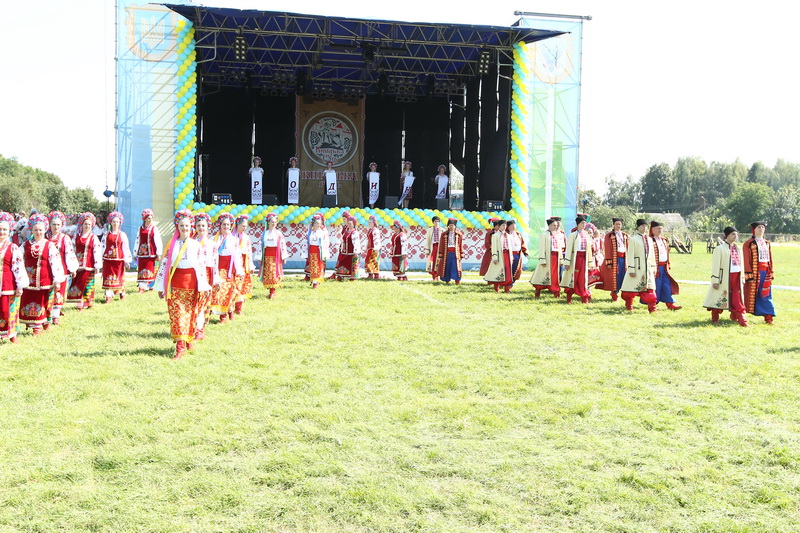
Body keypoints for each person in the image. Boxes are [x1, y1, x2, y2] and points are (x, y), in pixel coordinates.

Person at [155, 209, 211, 360]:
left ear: (191, 226)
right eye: (181, 225)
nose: (184, 228)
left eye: (187, 225)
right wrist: (161, 286)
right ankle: (180, 347)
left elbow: (201, 266)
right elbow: (165, 265)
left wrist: (204, 286)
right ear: (177, 227)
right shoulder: (172, 244)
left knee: (190, 313)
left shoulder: (195, 245)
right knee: (177, 315)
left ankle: (188, 339)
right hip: (175, 284)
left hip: (191, 284)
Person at [19, 214, 65, 335]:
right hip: (29, 281)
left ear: (45, 230)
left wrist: (57, 280)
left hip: (45, 280)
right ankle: (36, 326)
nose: (38, 232)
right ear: (31, 231)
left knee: (44, 301)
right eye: (36, 230)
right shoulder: (25, 245)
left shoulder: (49, 245)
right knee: (30, 301)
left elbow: (55, 263)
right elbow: (18, 259)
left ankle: (44, 323)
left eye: (40, 230)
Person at [704, 226, 749, 327]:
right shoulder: (719, 249)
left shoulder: (738, 249)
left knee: (737, 298)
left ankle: (741, 319)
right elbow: (716, 265)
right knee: (720, 297)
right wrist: (715, 280)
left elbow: (741, 264)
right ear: (726, 235)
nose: (735, 236)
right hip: (724, 278)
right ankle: (715, 317)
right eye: (733, 234)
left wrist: (742, 277)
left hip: (737, 276)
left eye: (736, 234)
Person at [0, 212, 29, 343]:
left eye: (4, 229)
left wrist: (20, 285)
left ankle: (12, 334)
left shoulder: (13, 248)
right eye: (0, 229)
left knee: (9, 309)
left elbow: (18, 267)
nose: (2, 232)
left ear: (9, 231)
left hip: (8, 284)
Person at [46, 211, 78, 325]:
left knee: (59, 291)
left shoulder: (65, 238)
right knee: (48, 291)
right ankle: (47, 313)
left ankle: (56, 315)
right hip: (47, 269)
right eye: (54, 224)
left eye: (58, 225)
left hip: (62, 269)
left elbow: (69, 253)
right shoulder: (45, 237)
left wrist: (72, 268)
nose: (56, 227)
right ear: (50, 225)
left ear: (61, 226)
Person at [619, 219, 658, 313]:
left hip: (647, 269)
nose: (644, 228)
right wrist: (631, 269)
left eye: (646, 226)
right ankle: (629, 306)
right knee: (631, 289)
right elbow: (630, 255)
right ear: (638, 227)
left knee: (650, 289)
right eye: (642, 226)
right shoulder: (633, 240)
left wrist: (653, 267)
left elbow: (652, 255)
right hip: (637, 268)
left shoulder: (650, 240)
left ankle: (652, 309)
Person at [211, 213, 243, 322]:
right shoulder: (214, 239)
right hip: (218, 269)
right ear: (220, 225)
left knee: (230, 291)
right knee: (221, 291)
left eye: (228, 224)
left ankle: (230, 310)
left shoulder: (234, 240)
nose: (226, 227)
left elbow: (237, 256)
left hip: (229, 269)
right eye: (224, 224)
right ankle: (223, 315)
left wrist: (239, 271)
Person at [67, 212, 104, 311]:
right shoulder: (76, 237)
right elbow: (72, 250)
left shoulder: (93, 237)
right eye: (85, 224)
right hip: (77, 265)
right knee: (78, 283)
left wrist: (97, 265)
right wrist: (71, 263)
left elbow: (97, 251)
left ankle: (88, 301)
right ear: (82, 225)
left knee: (88, 284)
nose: (87, 226)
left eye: (89, 224)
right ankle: (79, 302)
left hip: (89, 265)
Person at [192, 213, 219, 340]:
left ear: (208, 227)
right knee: (194, 301)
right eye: (199, 225)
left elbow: (215, 262)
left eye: (203, 225)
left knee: (203, 302)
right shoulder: (191, 242)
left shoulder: (212, 244)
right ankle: (192, 327)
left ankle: (200, 329)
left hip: (207, 275)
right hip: (193, 275)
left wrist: (216, 279)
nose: (201, 228)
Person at [743, 221, 776, 324]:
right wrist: (748, 273)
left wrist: (771, 271)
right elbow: (746, 258)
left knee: (766, 293)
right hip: (754, 272)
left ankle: (769, 316)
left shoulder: (767, 243)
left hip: (766, 272)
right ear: (753, 230)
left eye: (763, 227)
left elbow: (770, 258)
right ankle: (738, 314)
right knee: (751, 293)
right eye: (758, 227)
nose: (761, 229)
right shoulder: (749, 243)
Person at [560, 215, 595, 304]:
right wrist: (567, 262)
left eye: (585, 223)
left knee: (583, 278)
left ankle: (584, 297)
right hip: (575, 259)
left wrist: (590, 263)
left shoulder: (587, 235)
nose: (584, 225)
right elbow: (569, 249)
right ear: (578, 224)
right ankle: (569, 297)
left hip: (584, 258)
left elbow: (589, 250)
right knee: (573, 276)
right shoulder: (573, 235)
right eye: (582, 223)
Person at [101, 211, 132, 303]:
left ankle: (121, 292)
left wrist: (127, 260)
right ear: (111, 222)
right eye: (114, 222)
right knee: (107, 277)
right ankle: (108, 296)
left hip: (118, 260)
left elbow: (125, 247)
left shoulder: (122, 235)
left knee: (119, 276)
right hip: (108, 260)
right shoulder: (106, 234)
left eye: (117, 222)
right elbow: (102, 246)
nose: (115, 223)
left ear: (119, 223)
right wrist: (100, 257)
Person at [650, 221, 681, 311]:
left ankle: (670, 304)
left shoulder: (664, 240)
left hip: (664, 267)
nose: (660, 230)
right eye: (658, 229)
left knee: (666, 285)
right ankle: (652, 304)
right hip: (655, 267)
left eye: (661, 229)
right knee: (656, 285)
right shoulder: (650, 240)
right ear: (652, 229)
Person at [598, 217, 629, 301]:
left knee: (624, 276)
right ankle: (614, 294)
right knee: (615, 277)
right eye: (616, 224)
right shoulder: (609, 235)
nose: (618, 226)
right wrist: (609, 261)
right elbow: (607, 248)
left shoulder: (625, 235)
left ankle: (624, 294)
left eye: (619, 224)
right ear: (613, 225)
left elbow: (627, 247)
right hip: (615, 259)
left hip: (624, 259)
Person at [530, 219, 561, 299]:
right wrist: (542, 259)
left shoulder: (557, 235)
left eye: (556, 225)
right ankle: (538, 291)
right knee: (543, 274)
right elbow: (541, 248)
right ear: (549, 225)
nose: (555, 227)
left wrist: (561, 259)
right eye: (554, 225)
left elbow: (559, 248)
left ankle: (556, 292)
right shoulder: (544, 235)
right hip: (548, 257)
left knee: (555, 276)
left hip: (556, 257)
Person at [133, 209, 163, 293]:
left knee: (151, 269)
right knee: (141, 269)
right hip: (142, 252)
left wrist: (158, 253)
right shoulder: (140, 229)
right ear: (144, 219)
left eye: (151, 218)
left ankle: (151, 285)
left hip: (151, 253)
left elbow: (158, 240)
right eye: (148, 218)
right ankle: (141, 287)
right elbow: (137, 240)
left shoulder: (154, 228)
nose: (150, 220)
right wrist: (135, 253)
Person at [260, 212, 287, 298]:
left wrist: (284, 256)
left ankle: (273, 291)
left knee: (274, 272)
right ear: (268, 222)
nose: (273, 224)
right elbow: (260, 245)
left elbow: (282, 245)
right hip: (267, 255)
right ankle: (271, 289)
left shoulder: (279, 233)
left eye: (275, 222)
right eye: (272, 222)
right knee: (269, 273)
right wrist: (260, 257)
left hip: (276, 255)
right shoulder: (264, 233)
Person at [233, 214, 255, 315]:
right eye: (243, 226)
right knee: (234, 284)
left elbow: (249, 252)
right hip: (233, 263)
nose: (244, 228)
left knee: (241, 284)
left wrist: (250, 265)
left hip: (243, 262)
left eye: (246, 226)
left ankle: (238, 308)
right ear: (237, 225)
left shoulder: (246, 237)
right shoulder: (231, 236)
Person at [485, 219, 513, 292]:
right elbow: (494, 247)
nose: (504, 227)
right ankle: (496, 287)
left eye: (505, 225)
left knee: (507, 271)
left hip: (507, 255)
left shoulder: (508, 235)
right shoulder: (495, 236)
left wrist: (511, 256)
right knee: (498, 271)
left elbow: (510, 247)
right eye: (503, 225)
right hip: (500, 255)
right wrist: (494, 257)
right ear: (499, 226)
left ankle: (507, 288)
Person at [436, 218, 464, 285]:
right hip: (447, 253)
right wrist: (441, 254)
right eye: (450, 225)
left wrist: (461, 253)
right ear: (448, 226)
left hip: (455, 253)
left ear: (455, 226)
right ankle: (447, 280)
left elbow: (460, 244)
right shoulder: (444, 234)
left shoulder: (459, 234)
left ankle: (457, 280)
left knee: (456, 267)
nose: (451, 227)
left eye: (452, 225)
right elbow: (441, 245)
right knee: (447, 266)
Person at [305, 214, 330, 288]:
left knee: (318, 266)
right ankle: (313, 280)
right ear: (313, 224)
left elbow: (326, 243)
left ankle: (316, 281)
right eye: (317, 223)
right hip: (312, 251)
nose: (318, 225)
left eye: (319, 223)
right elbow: (306, 243)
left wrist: (324, 252)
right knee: (313, 266)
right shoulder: (310, 233)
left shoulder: (322, 233)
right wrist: (305, 254)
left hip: (319, 251)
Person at [335, 216, 362, 281]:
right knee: (341, 262)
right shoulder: (346, 231)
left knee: (351, 265)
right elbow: (342, 240)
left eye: (350, 224)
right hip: (344, 251)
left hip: (351, 252)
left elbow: (356, 243)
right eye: (348, 223)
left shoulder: (354, 232)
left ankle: (352, 277)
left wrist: (356, 252)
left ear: (353, 224)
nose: (349, 225)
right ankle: (340, 275)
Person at [506, 219, 527, 286]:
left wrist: (525, 251)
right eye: (512, 225)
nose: (513, 227)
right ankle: (507, 282)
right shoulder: (506, 234)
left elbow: (522, 243)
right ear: (508, 226)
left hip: (517, 254)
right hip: (509, 254)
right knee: (509, 268)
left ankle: (512, 281)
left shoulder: (518, 234)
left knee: (516, 269)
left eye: (514, 225)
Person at [364, 215, 382, 280]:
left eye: (370, 222)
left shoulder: (375, 230)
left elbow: (376, 240)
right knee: (368, 261)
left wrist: (376, 249)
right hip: (370, 248)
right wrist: (366, 247)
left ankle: (376, 275)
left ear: (374, 223)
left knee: (374, 261)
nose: (369, 223)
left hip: (374, 248)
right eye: (368, 222)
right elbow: (368, 240)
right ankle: (370, 274)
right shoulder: (370, 230)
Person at [425, 216, 443, 281]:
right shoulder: (430, 230)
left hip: (440, 248)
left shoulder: (442, 230)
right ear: (433, 222)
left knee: (439, 261)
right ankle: (434, 275)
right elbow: (428, 241)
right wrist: (427, 250)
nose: (436, 223)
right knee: (433, 261)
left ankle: (438, 275)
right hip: (433, 247)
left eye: (438, 221)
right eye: (435, 221)